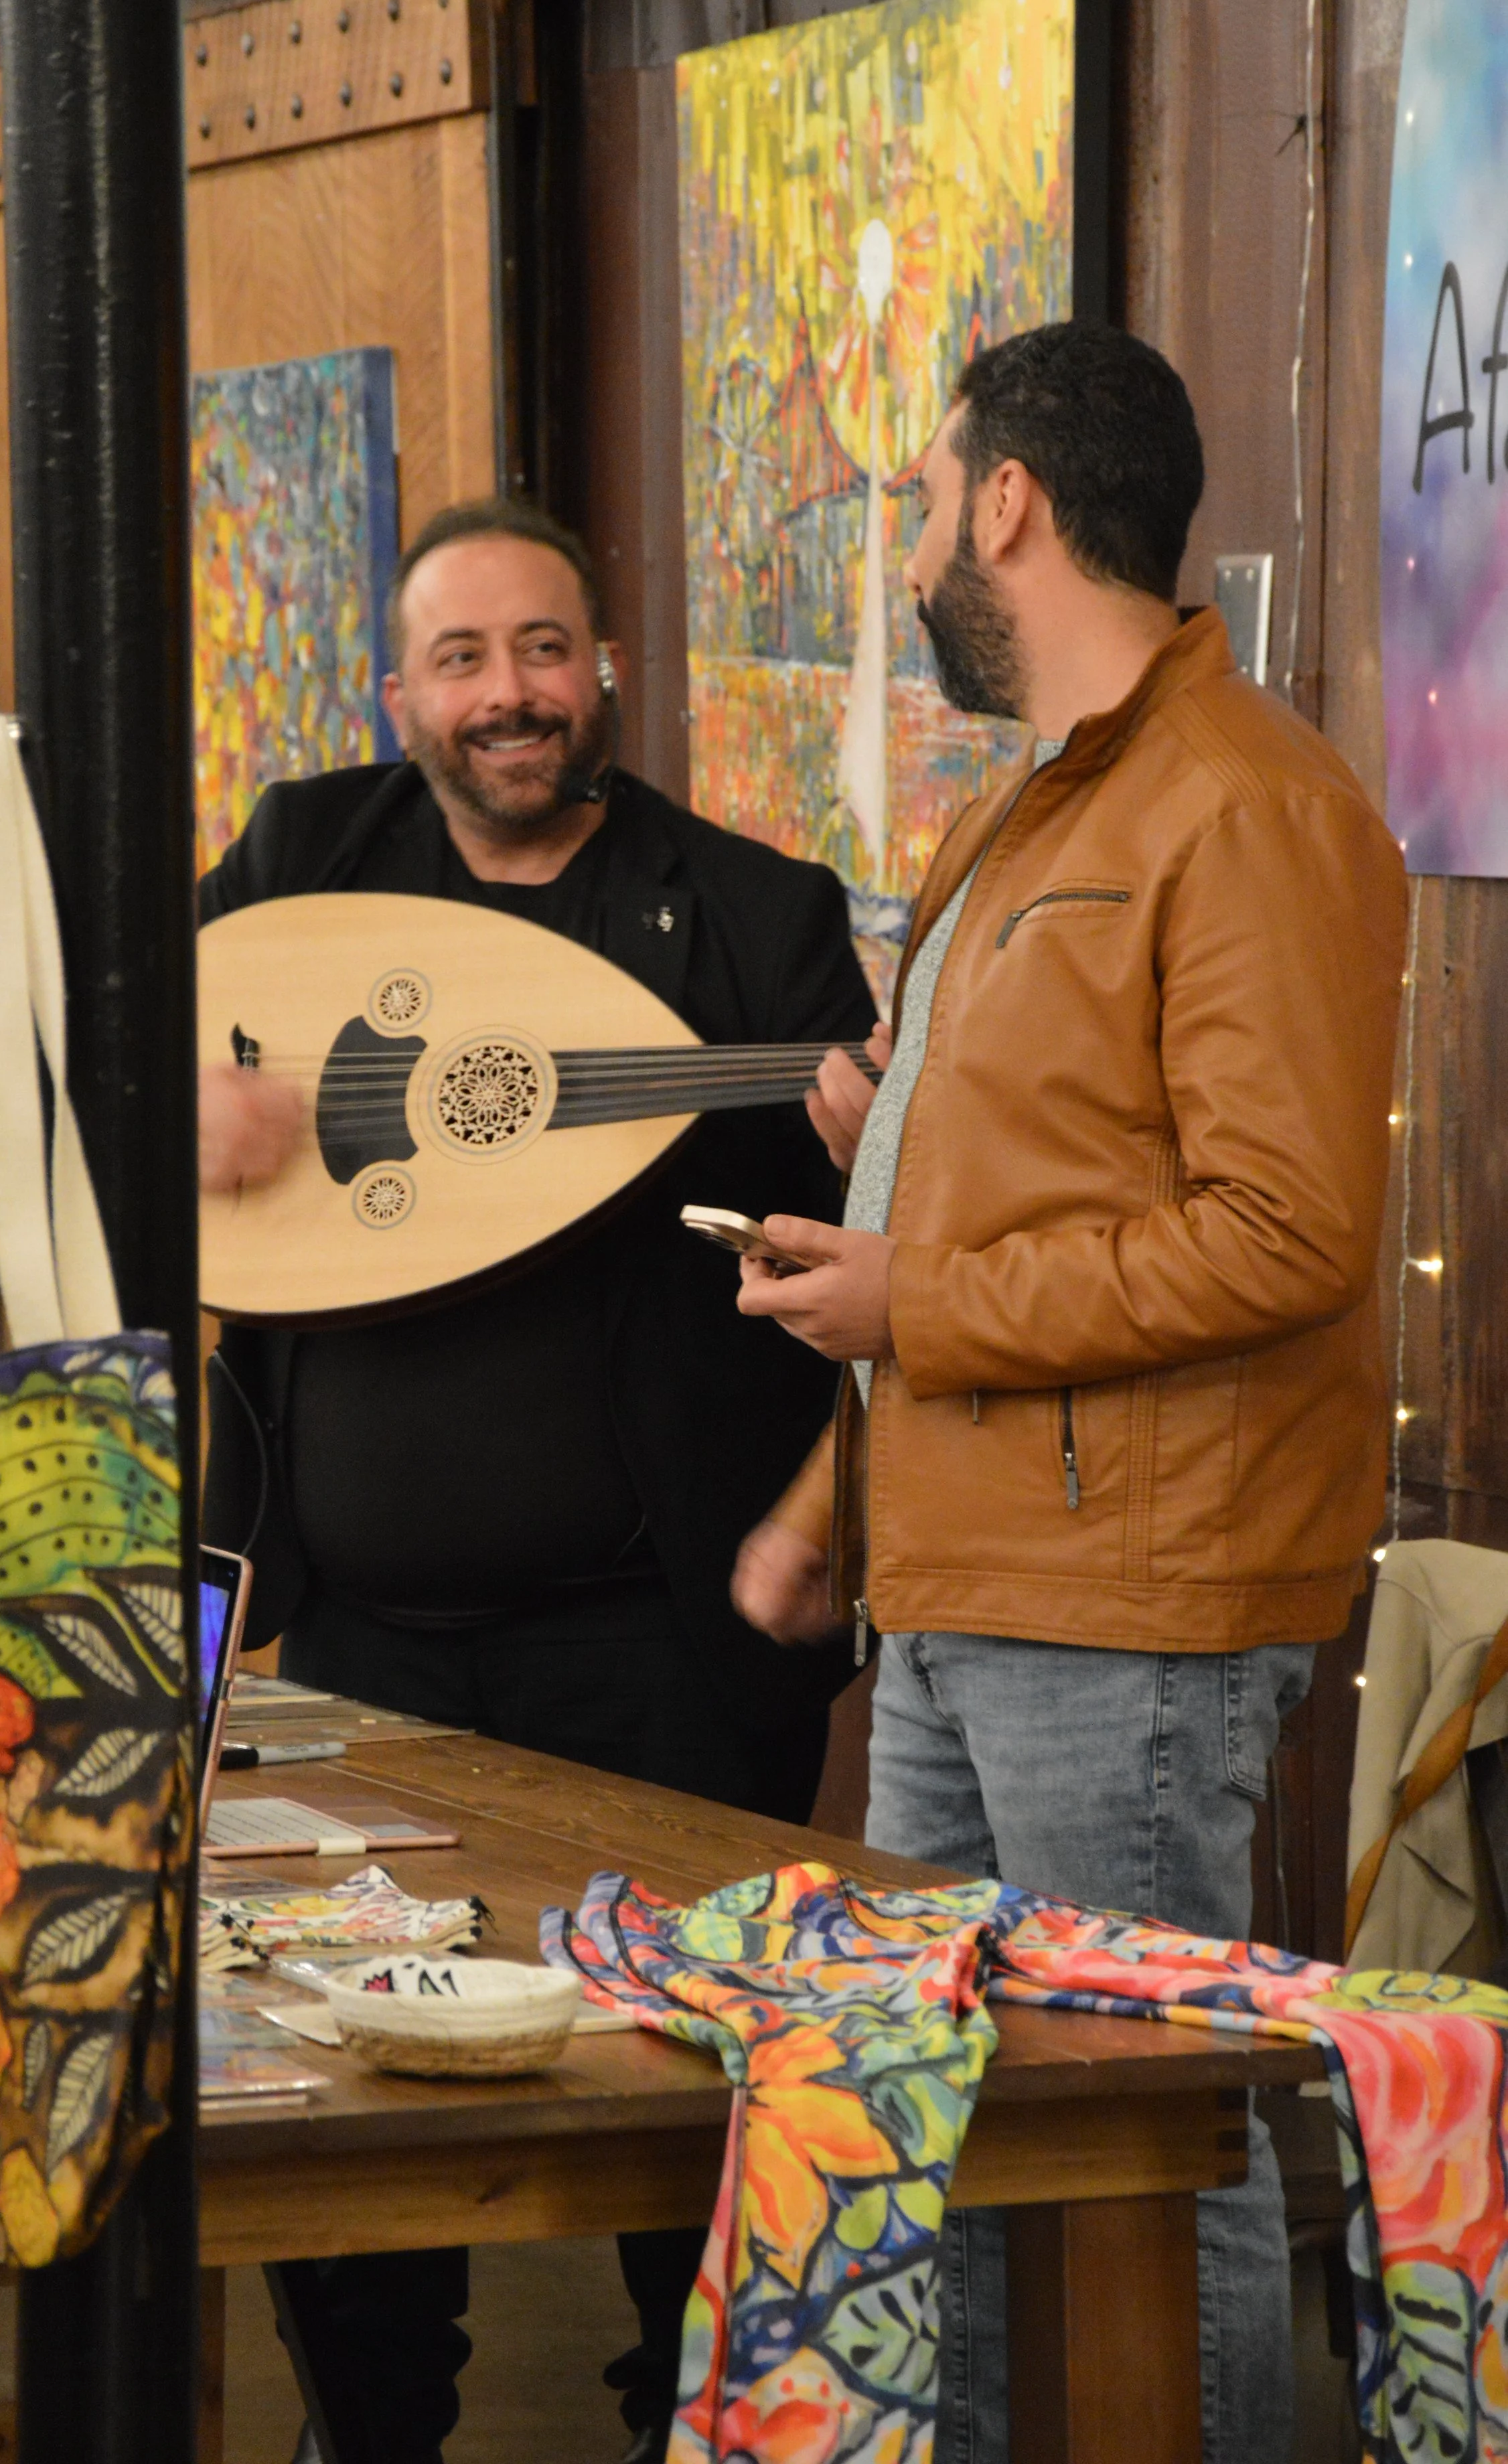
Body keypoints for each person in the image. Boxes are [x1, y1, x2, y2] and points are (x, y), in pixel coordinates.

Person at [732, 320, 1408, 2464]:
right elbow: (1048, 1170)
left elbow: (1286, 1234)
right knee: (952, 2139)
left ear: (1008, 500)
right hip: (958, 1578)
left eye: (927, 497)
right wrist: (887, 1129)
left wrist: (913, 1289)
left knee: (1145, 2142)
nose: (921, 539)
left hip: (1126, 1609)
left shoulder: (1250, 805)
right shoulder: (1032, 807)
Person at [198, 494, 875, 2464]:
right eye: (469, 660)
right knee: (344, 2080)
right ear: (399, 689)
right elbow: (85, 1072)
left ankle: (694, 2430)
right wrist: (181, 1103)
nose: (515, 698)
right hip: (360, 1639)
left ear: (603, 670)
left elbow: (879, 1246)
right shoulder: (302, 862)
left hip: (650, 1643)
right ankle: (368, 2437)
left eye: (548, 652)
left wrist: (853, 1149)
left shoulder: (754, 915)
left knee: (686, 2086)